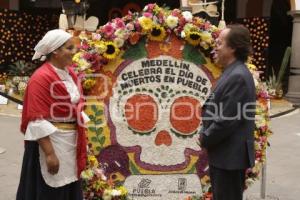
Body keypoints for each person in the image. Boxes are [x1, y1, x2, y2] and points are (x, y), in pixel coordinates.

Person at [16, 29, 88, 200]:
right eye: (69, 48)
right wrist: (49, 154)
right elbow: (36, 118)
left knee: (68, 185)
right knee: (50, 189)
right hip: (50, 144)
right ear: (55, 51)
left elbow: (75, 106)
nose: (74, 52)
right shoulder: (40, 78)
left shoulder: (70, 73)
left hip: (69, 142)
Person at [199, 24, 256, 200]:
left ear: (232, 48)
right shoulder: (232, 72)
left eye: (220, 42)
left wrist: (205, 137)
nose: (216, 45)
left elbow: (226, 120)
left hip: (229, 159)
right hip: (225, 156)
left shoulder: (237, 76)